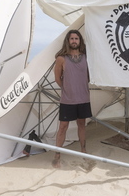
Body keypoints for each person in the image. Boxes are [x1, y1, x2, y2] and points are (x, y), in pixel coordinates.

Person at [52, 29, 92, 168]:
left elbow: (88, 76)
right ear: (68, 41)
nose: (74, 41)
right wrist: (68, 89)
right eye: (72, 39)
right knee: (63, 127)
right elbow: (57, 78)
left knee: (82, 125)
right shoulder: (61, 59)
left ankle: (83, 150)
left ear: (80, 41)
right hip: (68, 100)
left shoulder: (86, 57)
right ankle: (57, 156)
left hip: (83, 98)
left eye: (76, 38)